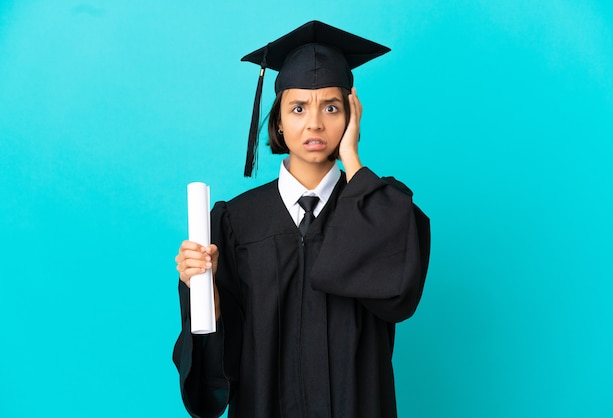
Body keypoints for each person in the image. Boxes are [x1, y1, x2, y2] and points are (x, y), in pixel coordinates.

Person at [173, 20, 431, 418]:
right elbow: (219, 360)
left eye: (332, 107)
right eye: (298, 108)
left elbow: (399, 295)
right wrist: (204, 290)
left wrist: (353, 160)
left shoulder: (382, 208)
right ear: (278, 120)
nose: (314, 123)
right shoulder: (235, 222)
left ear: (351, 116)